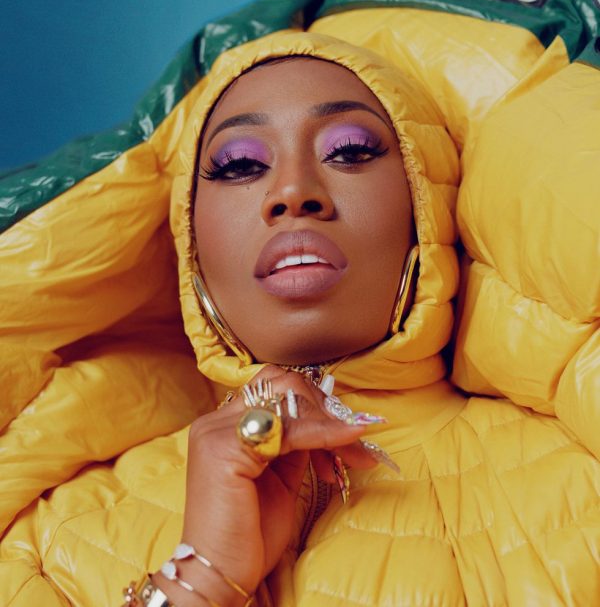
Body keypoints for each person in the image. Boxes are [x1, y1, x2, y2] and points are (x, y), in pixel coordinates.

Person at [1, 31, 598, 606]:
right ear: (189, 239)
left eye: (350, 151)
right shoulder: (50, 545)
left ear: (427, 206)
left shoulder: (584, 485)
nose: (293, 191)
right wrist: (201, 582)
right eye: (239, 165)